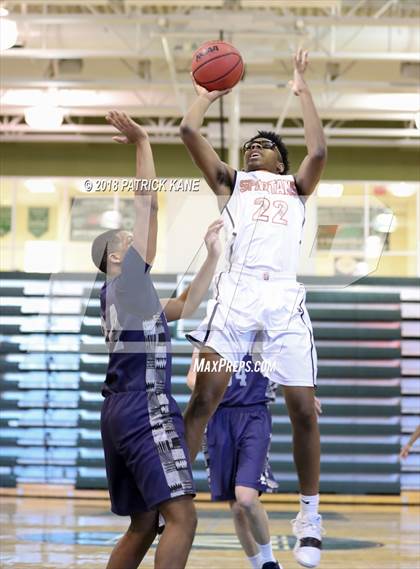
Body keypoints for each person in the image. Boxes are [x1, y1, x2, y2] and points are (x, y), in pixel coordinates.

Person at [180, 48, 327, 569]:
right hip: (237, 292)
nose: (253, 150)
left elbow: (319, 152)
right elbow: (188, 134)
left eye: (264, 146)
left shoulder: (295, 187)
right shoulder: (233, 183)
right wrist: (202, 98)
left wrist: (302, 89)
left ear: (281, 162)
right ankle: (174, 491)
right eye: (248, 146)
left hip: (283, 295)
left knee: (303, 408)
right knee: (205, 395)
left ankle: (309, 515)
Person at [91, 110, 223, 569]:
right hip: (142, 407)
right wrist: (145, 143)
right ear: (113, 257)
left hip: (118, 412)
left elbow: (186, 306)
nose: (137, 241)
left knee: (144, 523)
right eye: (127, 241)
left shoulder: (128, 296)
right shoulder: (125, 282)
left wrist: (212, 257)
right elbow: (147, 203)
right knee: (182, 517)